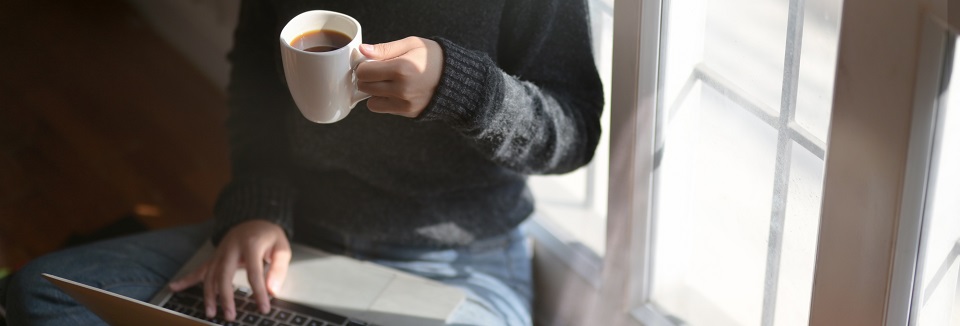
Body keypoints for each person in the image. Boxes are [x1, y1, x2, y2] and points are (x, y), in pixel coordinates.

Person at [4, 0, 603, 325]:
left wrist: (464, 89)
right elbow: (258, 82)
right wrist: (257, 208)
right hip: (296, 238)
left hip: (455, 263)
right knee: (45, 294)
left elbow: (573, 133)